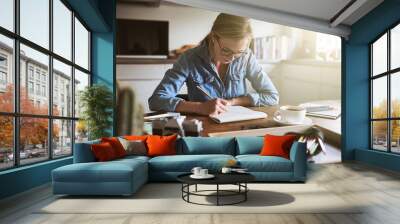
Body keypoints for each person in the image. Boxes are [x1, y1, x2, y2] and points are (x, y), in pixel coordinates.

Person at [148, 13, 279, 116]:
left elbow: (272, 96)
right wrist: (200, 107)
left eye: (239, 52)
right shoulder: (189, 59)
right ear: (213, 38)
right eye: (226, 50)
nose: (232, 58)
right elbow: (156, 100)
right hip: (204, 129)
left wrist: (233, 102)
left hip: (238, 126)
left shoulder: (247, 56)